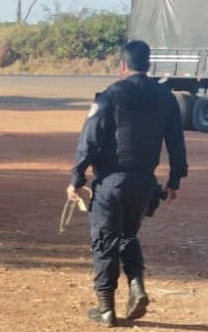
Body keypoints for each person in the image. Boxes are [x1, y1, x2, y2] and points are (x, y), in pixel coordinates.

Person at [67, 40, 188, 326]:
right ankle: (136, 284)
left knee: (105, 242)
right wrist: (175, 182)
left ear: (122, 65)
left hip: (112, 183)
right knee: (127, 235)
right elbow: (176, 144)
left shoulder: (111, 95)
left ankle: (106, 308)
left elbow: (90, 140)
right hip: (145, 184)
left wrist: (77, 177)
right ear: (148, 65)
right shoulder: (166, 98)